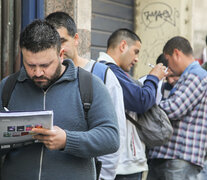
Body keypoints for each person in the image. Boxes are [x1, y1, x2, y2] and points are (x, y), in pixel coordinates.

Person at [0, 19, 120, 180]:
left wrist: (67, 140)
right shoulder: (8, 86)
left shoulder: (89, 85)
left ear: (61, 55)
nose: (37, 73)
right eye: (30, 65)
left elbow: (110, 138)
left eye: (45, 65)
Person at [45, 11, 126, 180]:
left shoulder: (100, 75)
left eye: (62, 41)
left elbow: (116, 133)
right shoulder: (41, 76)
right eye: (52, 43)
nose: (59, 49)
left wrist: (103, 177)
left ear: (76, 39)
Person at [97, 28, 167, 180]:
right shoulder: (109, 71)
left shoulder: (112, 71)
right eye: (136, 52)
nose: (136, 59)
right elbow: (140, 101)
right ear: (123, 46)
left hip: (124, 163)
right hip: (122, 165)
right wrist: (153, 78)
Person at [147, 36, 207, 180]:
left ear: (176, 54)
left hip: (178, 159)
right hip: (170, 159)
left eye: (167, 60)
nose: (168, 67)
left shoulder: (196, 76)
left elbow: (173, 108)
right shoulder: (189, 76)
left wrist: (144, 103)